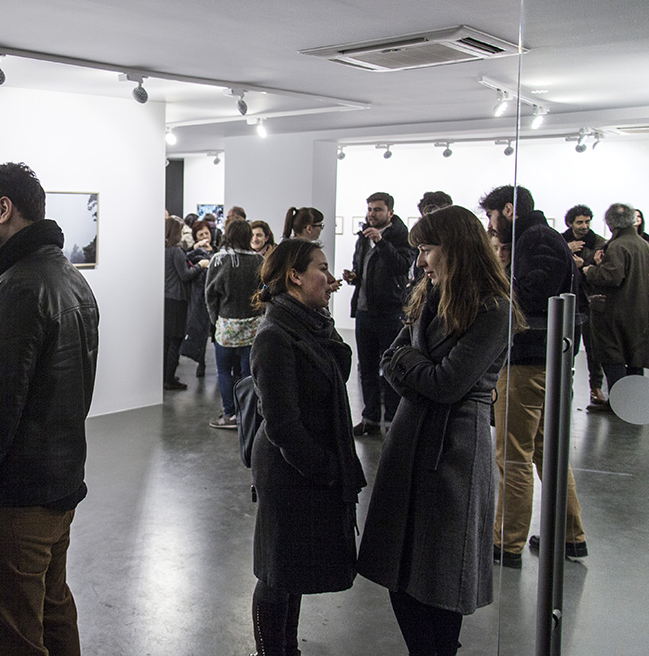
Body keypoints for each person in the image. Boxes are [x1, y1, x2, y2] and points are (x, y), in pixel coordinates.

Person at [0, 162, 99, 656]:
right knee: (52, 614)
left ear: (3, 209)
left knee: (10, 639)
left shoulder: (16, 288)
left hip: (8, 502)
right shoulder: (66, 277)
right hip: (54, 488)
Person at [358, 206, 523, 656]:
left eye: (427, 250)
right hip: (409, 440)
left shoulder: (494, 309)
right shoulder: (428, 296)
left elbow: (447, 384)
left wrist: (415, 368)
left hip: (454, 451)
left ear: (456, 249)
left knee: (441, 576)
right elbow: (389, 362)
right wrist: (422, 371)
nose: (420, 261)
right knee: (399, 570)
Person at [249, 239, 366, 656]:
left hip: (307, 466)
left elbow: (338, 369)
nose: (330, 278)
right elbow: (282, 424)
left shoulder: (309, 324)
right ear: (295, 276)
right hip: (289, 471)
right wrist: (325, 469)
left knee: (292, 569)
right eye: (322, 268)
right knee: (277, 573)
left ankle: (289, 648)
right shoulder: (274, 336)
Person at [480, 185, 586, 568]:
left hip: (528, 360)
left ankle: (506, 543)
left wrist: (495, 282)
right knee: (544, 451)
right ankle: (570, 536)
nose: (491, 225)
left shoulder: (536, 238)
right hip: (543, 359)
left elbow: (530, 299)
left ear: (508, 210)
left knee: (512, 454)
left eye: (492, 216)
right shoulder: (539, 238)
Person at [342, 191, 416, 436]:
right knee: (366, 368)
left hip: (390, 311)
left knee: (392, 367)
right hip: (364, 310)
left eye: (378, 209)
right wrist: (353, 277)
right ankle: (370, 418)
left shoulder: (401, 236)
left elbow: (401, 266)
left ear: (390, 212)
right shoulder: (363, 236)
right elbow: (361, 267)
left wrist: (381, 242)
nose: (372, 214)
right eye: (370, 209)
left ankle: (393, 421)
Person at [581, 202, 649, 395]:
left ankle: (617, 401)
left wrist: (590, 270)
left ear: (611, 223)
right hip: (640, 311)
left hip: (617, 312)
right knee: (635, 359)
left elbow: (611, 277)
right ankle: (630, 403)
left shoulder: (618, 246)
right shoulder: (643, 244)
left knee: (613, 357)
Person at [205, 219, 265, 429]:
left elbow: (210, 295)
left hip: (226, 324)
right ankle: (248, 415)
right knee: (249, 374)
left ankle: (230, 414)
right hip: (253, 324)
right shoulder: (258, 260)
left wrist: (215, 320)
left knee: (224, 371)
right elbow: (263, 291)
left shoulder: (219, 260)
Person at [561, 204, 608, 406]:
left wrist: (584, 266)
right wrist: (566, 250)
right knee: (567, 347)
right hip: (567, 301)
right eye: (579, 222)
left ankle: (595, 387)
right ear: (570, 223)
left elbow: (602, 273)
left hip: (589, 301)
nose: (584, 226)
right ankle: (565, 386)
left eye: (587, 222)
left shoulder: (599, 243)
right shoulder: (561, 241)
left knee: (593, 348)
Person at [166, 216, 209, 389]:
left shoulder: (164, 250)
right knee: (175, 341)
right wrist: (201, 266)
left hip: (167, 299)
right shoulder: (176, 251)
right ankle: (169, 379)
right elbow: (185, 275)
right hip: (177, 300)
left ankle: (166, 376)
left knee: (167, 342)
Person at [181, 221, 216, 377]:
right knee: (200, 328)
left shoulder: (217, 251)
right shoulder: (192, 252)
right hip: (198, 294)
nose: (204, 237)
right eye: (201, 234)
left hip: (214, 294)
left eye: (206, 233)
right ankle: (200, 362)